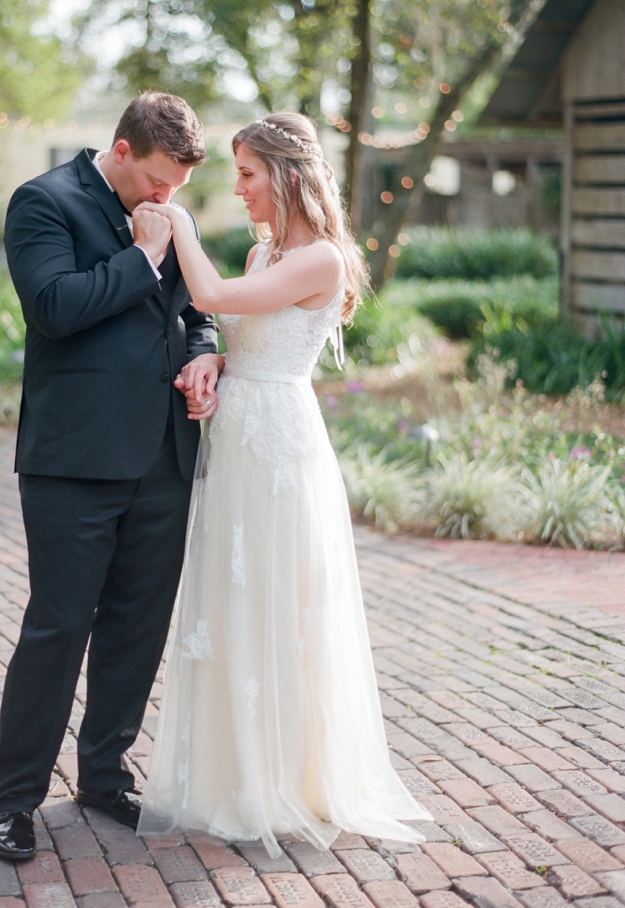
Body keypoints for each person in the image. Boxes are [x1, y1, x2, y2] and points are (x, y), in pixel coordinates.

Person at [136, 113, 433, 856]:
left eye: (245, 174)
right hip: (238, 436)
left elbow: (209, 298)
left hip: (280, 450)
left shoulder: (324, 260)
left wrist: (176, 220)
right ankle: (231, 770)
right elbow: (251, 339)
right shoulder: (266, 248)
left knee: (279, 598)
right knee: (234, 599)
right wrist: (214, 367)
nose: (237, 190)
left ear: (287, 176)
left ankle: (286, 778)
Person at [0, 93, 220, 861]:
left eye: (178, 189)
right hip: (74, 460)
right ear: (121, 151)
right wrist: (143, 255)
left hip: (164, 454)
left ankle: (104, 774)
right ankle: (13, 799)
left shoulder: (168, 209)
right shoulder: (43, 203)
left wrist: (204, 354)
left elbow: (196, 311)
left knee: (137, 625)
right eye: (156, 181)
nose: (167, 199)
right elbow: (53, 307)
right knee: (58, 628)